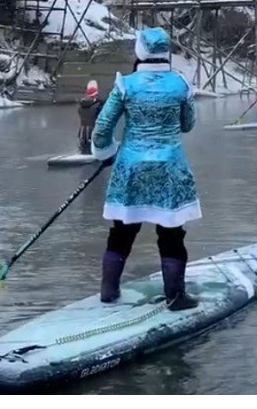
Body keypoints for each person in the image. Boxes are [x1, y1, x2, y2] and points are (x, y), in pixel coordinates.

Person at [93, 27, 201, 311]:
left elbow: (102, 128)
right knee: (172, 235)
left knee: (122, 232)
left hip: (131, 168)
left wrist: (105, 152)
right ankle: (176, 296)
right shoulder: (181, 85)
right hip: (170, 169)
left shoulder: (125, 86)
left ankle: (108, 291)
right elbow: (188, 125)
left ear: (140, 52)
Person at [77, 80, 103, 155]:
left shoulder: (81, 106)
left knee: (83, 151)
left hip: (82, 133)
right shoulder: (98, 106)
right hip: (94, 132)